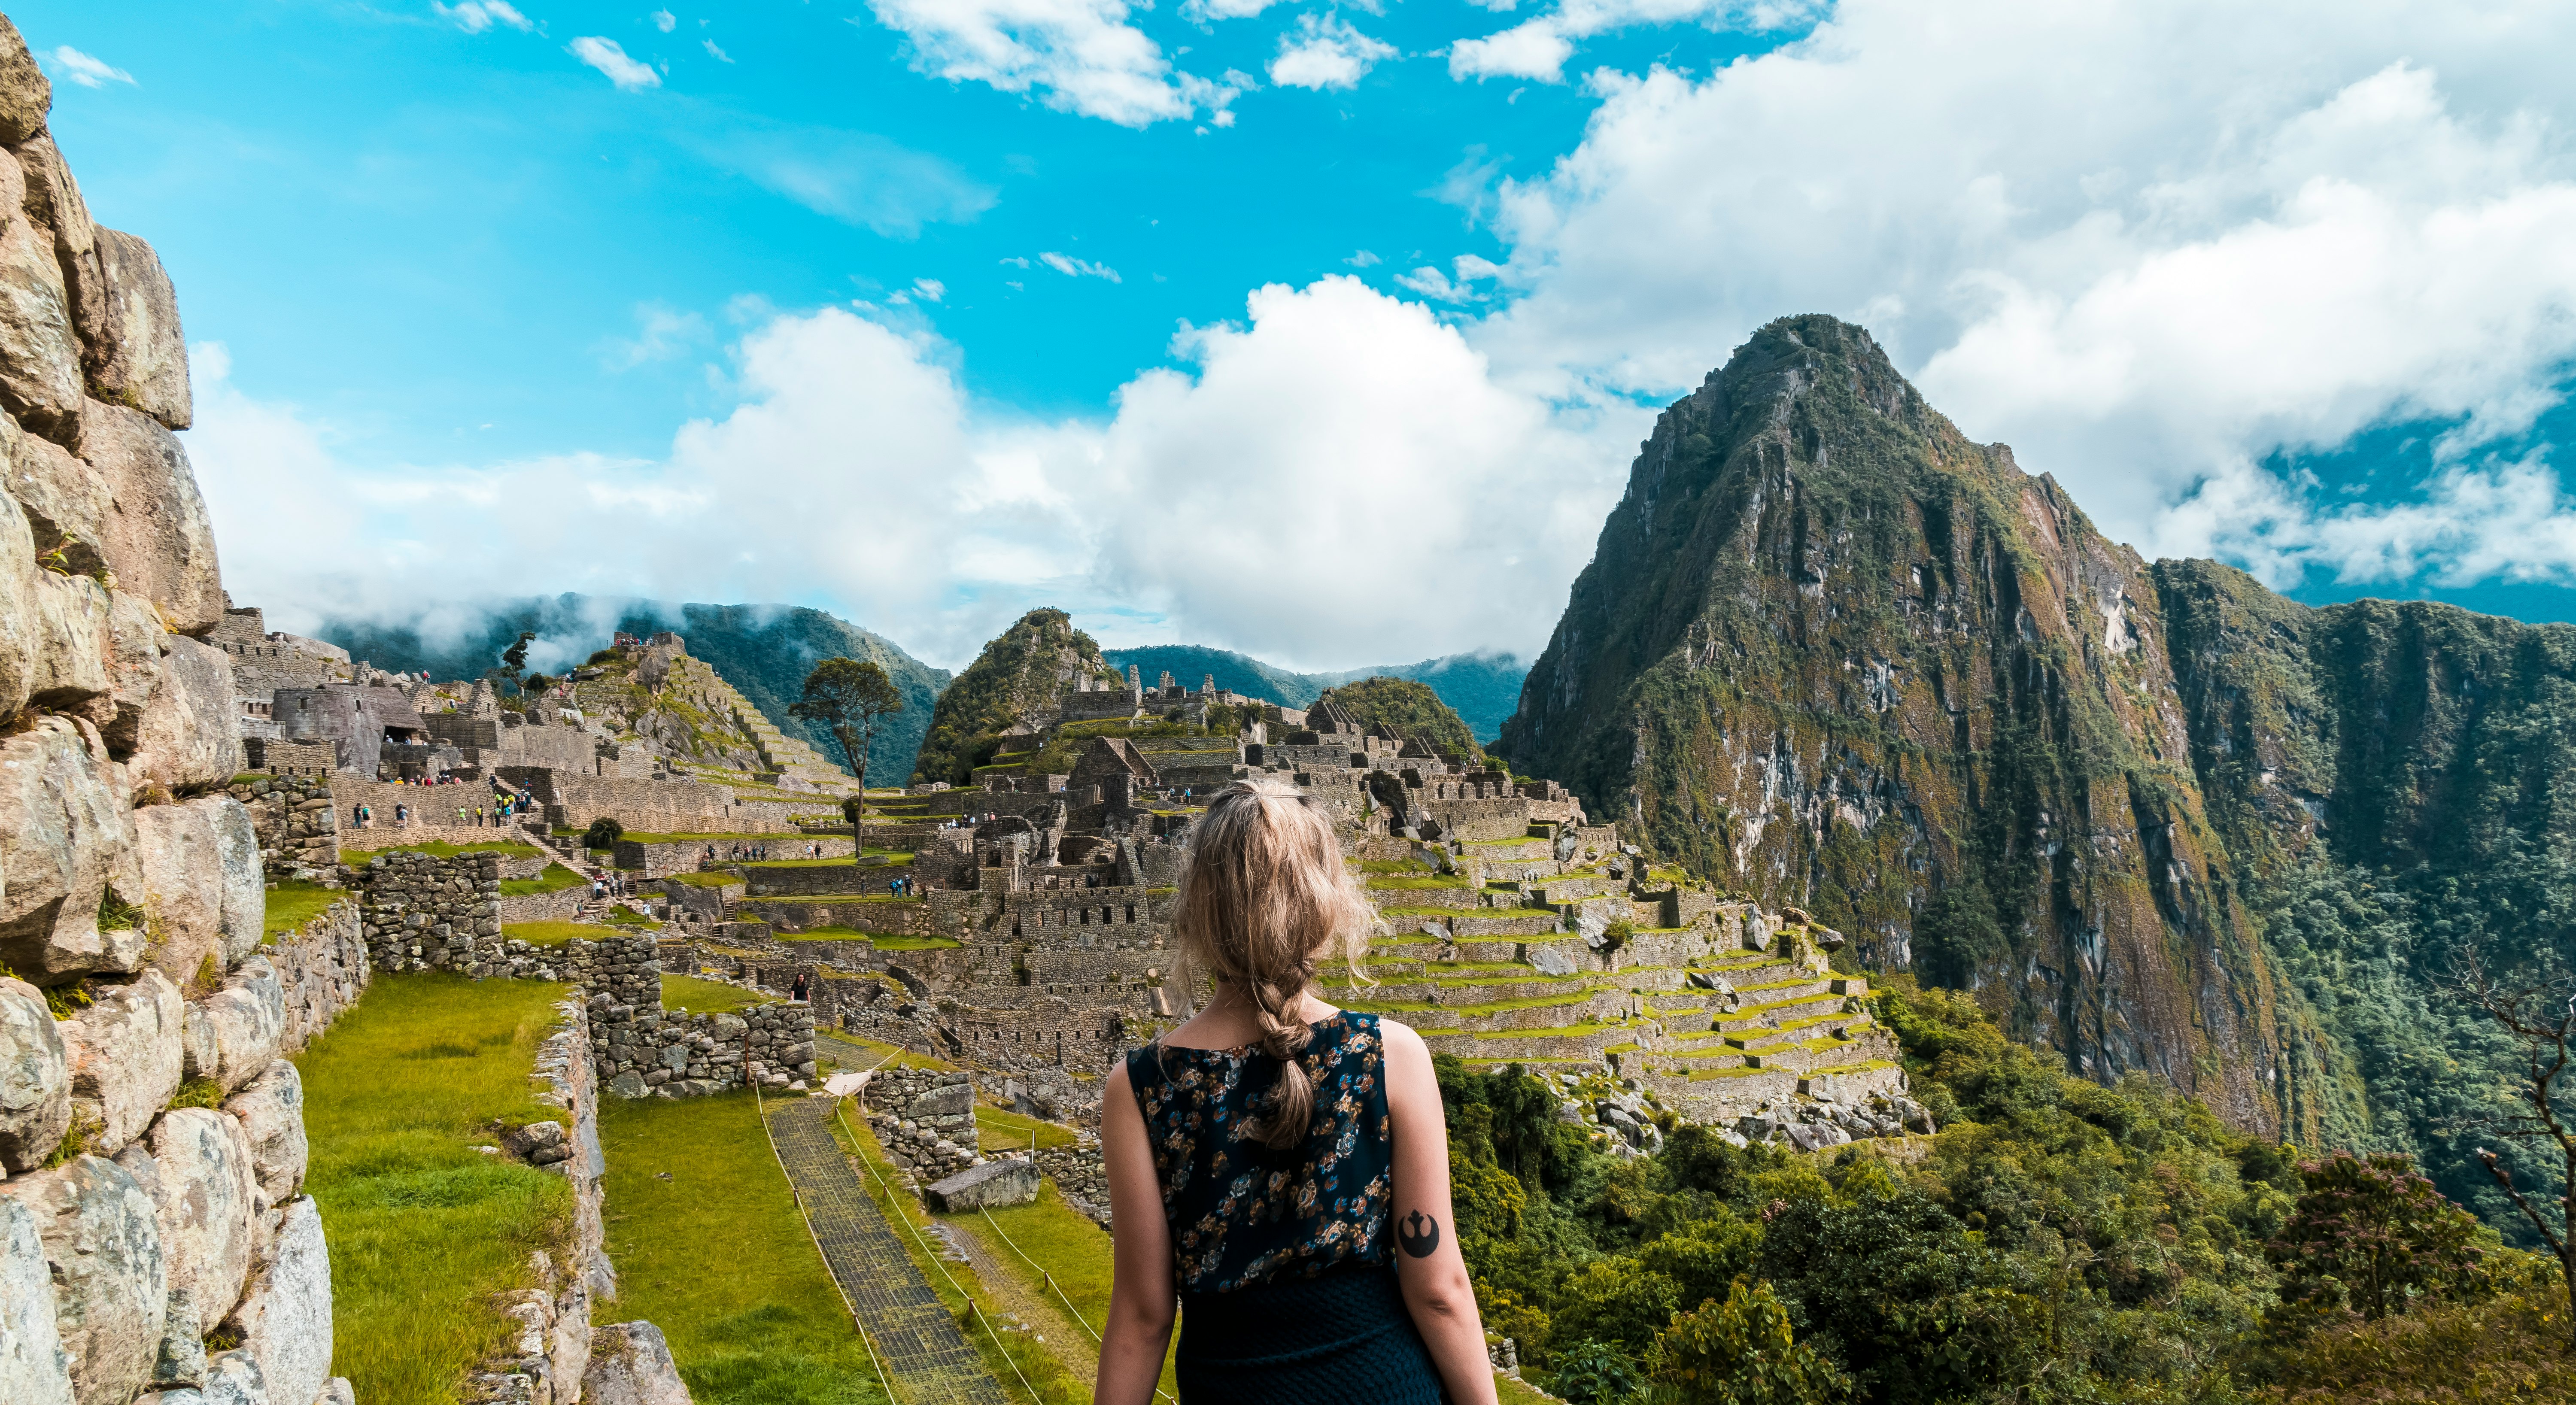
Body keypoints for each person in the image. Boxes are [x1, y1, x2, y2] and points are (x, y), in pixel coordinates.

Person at [1095, 780, 1492, 1405]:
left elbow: (1144, 1319)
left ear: (1200, 908)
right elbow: (1439, 1288)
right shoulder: (1391, 1057)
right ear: (1322, 903)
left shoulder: (1143, 1088)